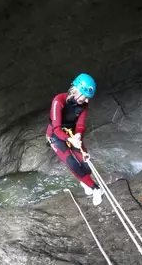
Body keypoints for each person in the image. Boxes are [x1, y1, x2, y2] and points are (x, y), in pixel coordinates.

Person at [46, 73, 104, 206]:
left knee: (85, 163)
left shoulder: (83, 104)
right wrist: (70, 140)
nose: (87, 101)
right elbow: (56, 129)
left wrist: (78, 135)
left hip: (72, 134)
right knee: (72, 163)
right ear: (76, 91)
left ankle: (85, 181)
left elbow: (80, 124)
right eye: (85, 97)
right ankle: (96, 189)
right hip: (56, 136)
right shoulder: (58, 101)